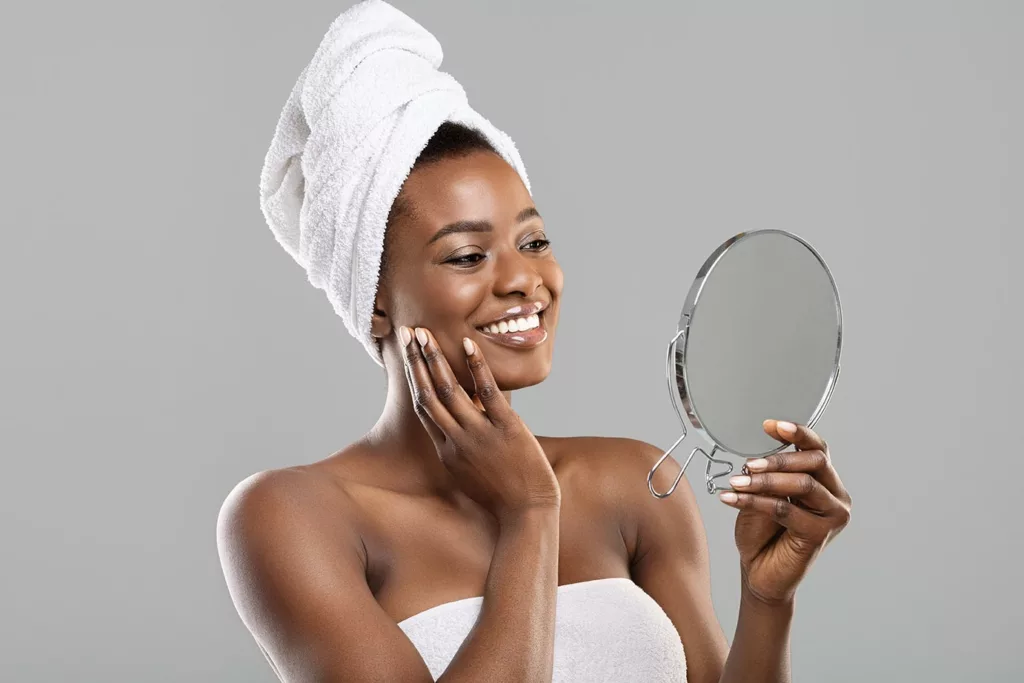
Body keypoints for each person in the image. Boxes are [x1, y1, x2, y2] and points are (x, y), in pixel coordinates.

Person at [217, 5, 852, 683]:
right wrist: (528, 514)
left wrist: (766, 598)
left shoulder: (632, 488)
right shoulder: (293, 517)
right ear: (376, 298)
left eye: (533, 241)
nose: (524, 280)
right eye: (467, 255)